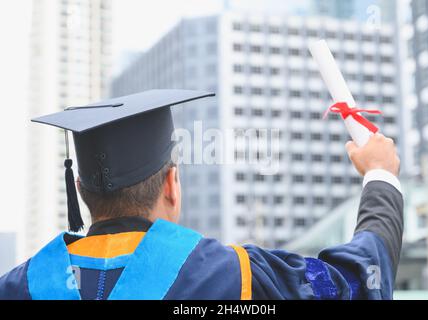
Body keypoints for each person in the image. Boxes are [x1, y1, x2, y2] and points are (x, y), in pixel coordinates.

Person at [0, 89, 403, 300]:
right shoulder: (234, 276)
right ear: (172, 186)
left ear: (79, 190)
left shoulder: (18, 287)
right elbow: (354, 283)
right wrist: (380, 175)